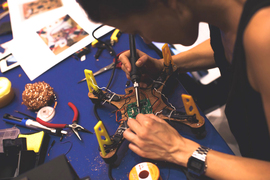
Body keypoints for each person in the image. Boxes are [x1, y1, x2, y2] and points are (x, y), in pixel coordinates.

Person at [77, 0, 270, 179]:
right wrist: (164, 65)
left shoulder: (264, 37)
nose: (146, 38)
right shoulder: (230, 11)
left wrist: (179, 149)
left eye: (137, 29)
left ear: (169, 3)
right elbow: (227, 47)